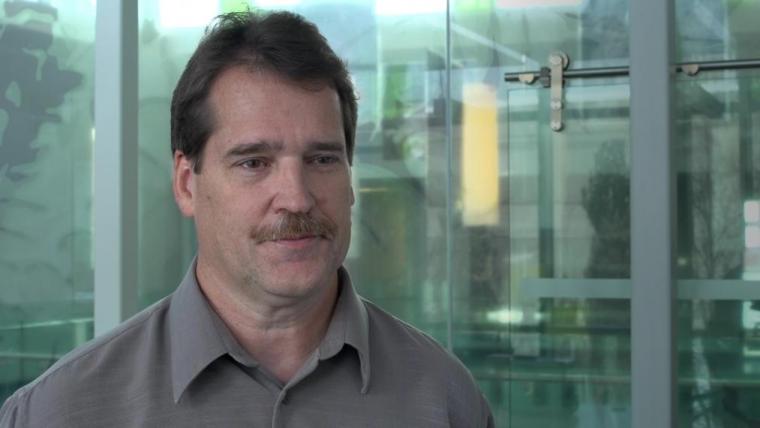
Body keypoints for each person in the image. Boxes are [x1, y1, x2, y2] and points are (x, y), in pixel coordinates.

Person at [0, 10, 494, 427]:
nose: (297, 199)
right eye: (253, 162)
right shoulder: (60, 413)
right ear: (186, 183)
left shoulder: (446, 400)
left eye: (322, 159)